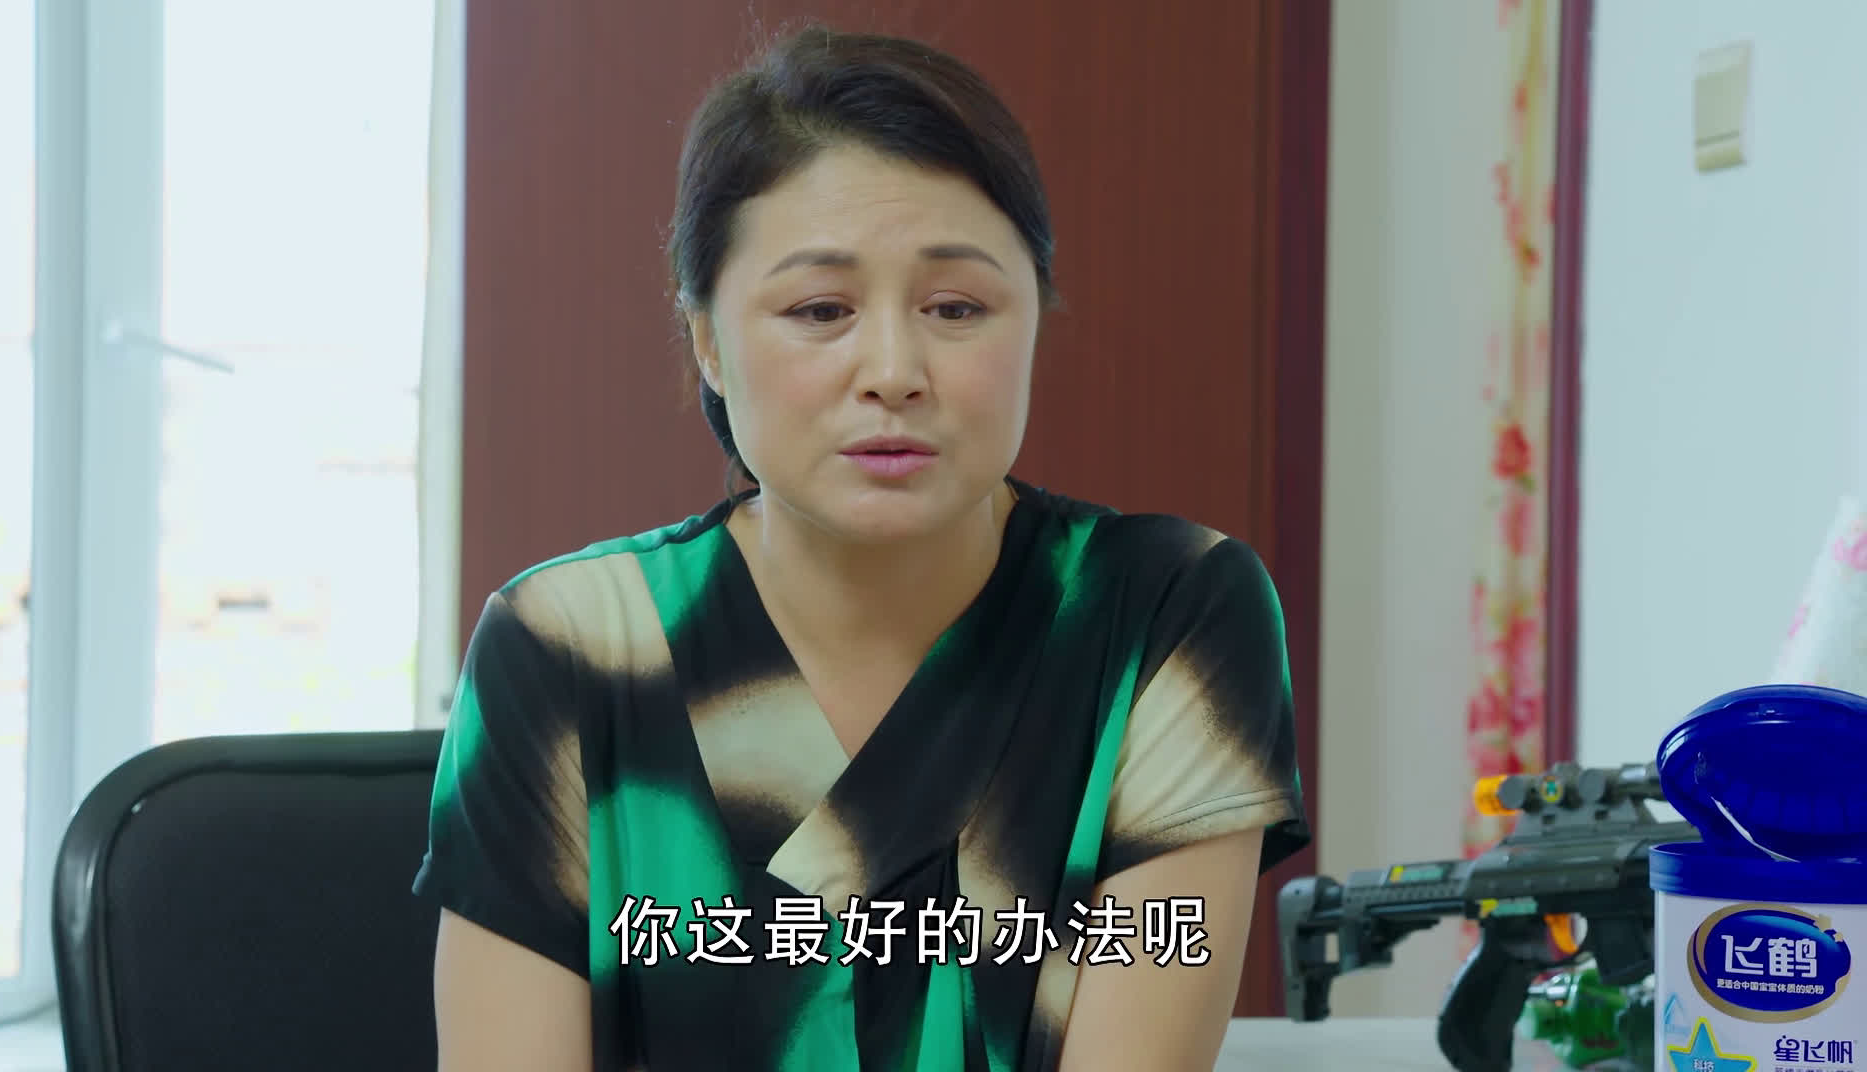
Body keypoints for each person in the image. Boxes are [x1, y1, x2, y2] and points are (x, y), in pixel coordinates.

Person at [415, 23, 1309, 1072]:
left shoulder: (1167, 614)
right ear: (707, 340)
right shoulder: (566, 647)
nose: (893, 370)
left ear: (1034, 316)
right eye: (821, 309)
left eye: (956, 307)